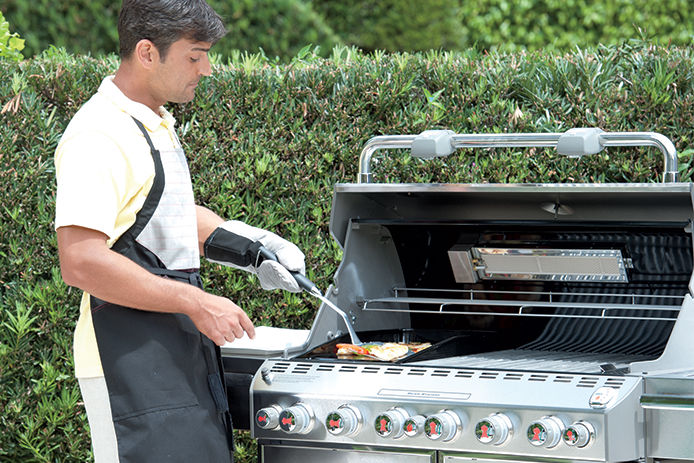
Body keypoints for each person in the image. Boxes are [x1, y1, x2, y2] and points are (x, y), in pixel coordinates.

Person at [54, 1, 306, 461]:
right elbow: (81, 260)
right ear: (147, 52)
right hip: (124, 362)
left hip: (174, 349)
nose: (207, 69)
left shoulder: (149, 121)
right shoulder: (99, 134)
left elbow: (160, 211)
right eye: (195, 56)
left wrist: (253, 246)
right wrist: (196, 301)